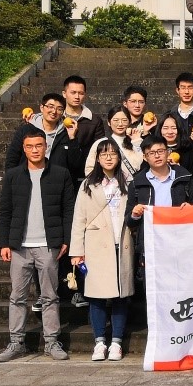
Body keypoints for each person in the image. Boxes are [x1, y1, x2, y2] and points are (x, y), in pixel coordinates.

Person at [0, 129, 75, 362]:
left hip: (48, 245)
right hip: (19, 246)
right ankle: (15, 342)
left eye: (39, 145)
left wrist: (66, 240)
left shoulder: (60, 174)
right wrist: (4, 243)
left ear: (45, 146)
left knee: (50, 296)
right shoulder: (13, 175)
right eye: (30, 146)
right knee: (17, 297)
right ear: (24, 149)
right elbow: (5, 211)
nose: (35, 150)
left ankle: (51, 342)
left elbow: (68, 209)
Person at [70, 139, 136, 362]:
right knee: (96, 295)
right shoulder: (88, 184)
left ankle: (116, 342)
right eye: (104, 154)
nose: (108, 158)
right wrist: (77, 251)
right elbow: (79, 219)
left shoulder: (128, 182)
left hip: (122, 241)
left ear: (119, 157)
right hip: (96, 245)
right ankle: (99, 341)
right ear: (97, 159)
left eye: (113, 154)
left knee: (121, 294)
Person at [125, 136, 193, 277]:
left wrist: (190, 209)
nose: (157, 156)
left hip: (180, 245)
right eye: (151, 153)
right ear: (145, 157)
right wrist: (135, 214)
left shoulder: (185, 179)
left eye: (160, 151)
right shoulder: (137, 184)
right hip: (151, 246)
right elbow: (129, 221)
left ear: (168, 152)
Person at [4, 93, 80, 174]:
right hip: (27, 178)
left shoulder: (67, 133)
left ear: (63, 112)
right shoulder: (26, 130)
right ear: (41, 108)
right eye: (50, 107)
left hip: (56, 180)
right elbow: (12, 158)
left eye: (59, 109)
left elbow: (75, 165)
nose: (54, 111)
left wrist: (72, 138)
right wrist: (12, 179)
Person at [61, 75, 105, 174]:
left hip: (83, 172)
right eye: (73, 92)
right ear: (64, 94)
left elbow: (98, 148)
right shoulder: (56, 117)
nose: (77, 97)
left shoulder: (94, 120)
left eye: (81, 93)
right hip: (57, 171)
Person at [84, 106, 142, 180]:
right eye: (116, 120)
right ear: (109, 122)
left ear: (130, 122)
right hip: (106, 185)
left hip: (132, 184)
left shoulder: (136, 141)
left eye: (124, 120)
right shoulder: (100, 143)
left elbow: (141, 166)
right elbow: (89, 169)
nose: (120, 124)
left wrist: (137, 142)